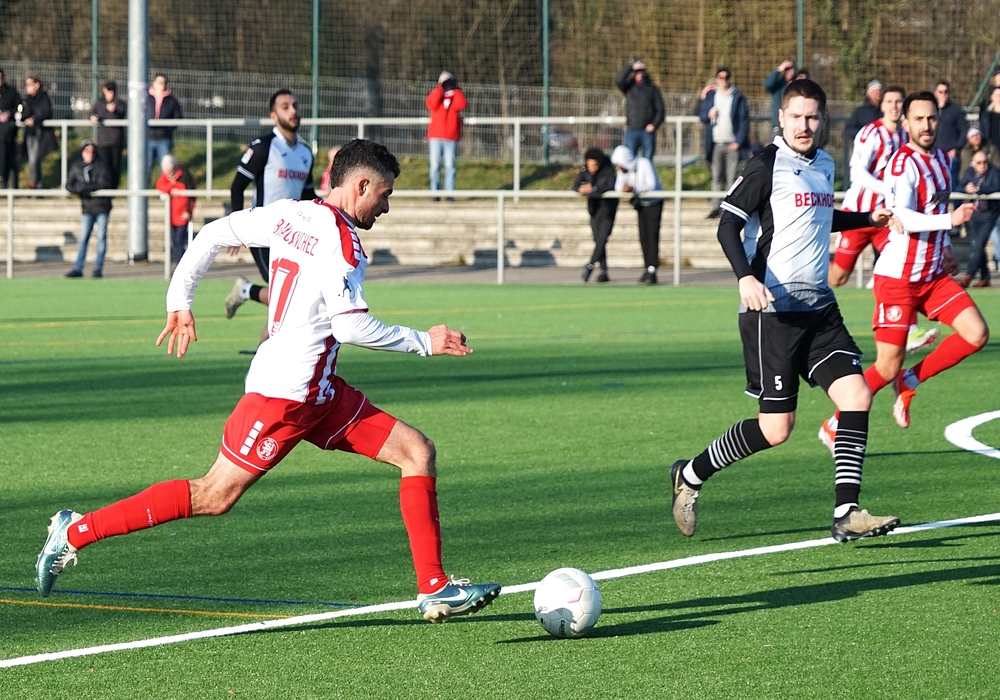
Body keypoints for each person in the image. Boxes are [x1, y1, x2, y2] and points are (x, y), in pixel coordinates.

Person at [35, 138, 502, 623]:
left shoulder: (289, 213)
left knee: (416, 452)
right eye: (384, 195)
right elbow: (350, 327)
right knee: (214, 495)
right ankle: (75, 531)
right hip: (284, 397)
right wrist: (424, 340)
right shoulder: (343, 243)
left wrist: (180, 301)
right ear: (361, 185)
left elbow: (212, 233)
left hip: (321, 392)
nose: (385, 208)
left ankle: (434, 587)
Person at [668, 79, 900, 544]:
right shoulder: (765, 164)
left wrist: (865, 219)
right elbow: (728, 226)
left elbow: (819, 217)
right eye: (796, 116)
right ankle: (690, 474)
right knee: (776, 430)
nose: (804, 125)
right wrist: (745, 277)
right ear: (781, 118)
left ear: (824, 119)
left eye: (812, 117)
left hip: (819, 309)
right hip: (771, 311)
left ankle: (846, 512)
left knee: (857, 396)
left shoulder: (824, 164)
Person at [819, 92, 984, 444]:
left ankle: (909, 380)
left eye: (932, 118)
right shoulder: (901, 164)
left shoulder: (942, 160)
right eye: (919, 119)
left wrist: (946, 248)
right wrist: (950, 221)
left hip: (932, 275)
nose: (927, 125)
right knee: (886, 365)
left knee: (976, 333)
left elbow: (934, 207)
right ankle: (835, 422)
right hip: (898, 279)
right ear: (907, 123)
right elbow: (903, 217)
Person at [830, 86, 939, 355]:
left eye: (898, 101)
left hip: (886, 219)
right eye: (889, 101)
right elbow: (857, 173)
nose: (894, 106)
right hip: (859, 216)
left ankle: (910, 331)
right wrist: (887, 189)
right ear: (882, 105)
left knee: (899, 268)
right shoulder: (871, 133)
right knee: (838, 278)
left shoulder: (905, 135)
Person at [224, 89, 316, 332]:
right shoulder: (264, 147)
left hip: (295, 235)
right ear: (273, 115)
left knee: (293, 295)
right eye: (285, 107)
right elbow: (237, 186)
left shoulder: (305, 153)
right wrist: (237, 228)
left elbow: (308, 195)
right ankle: (246, 291)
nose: (293, 111)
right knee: (287, 295)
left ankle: (247, 294)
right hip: (264, 233)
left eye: (295, 105)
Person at [699, 67, 749, 218]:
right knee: (716, 177)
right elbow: (701, 115)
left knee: (731, 178)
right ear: (717, 79)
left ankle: (730, 207)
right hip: (716, 143)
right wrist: (708, 114)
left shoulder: (738, 97)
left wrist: (738, 141)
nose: (724, 80)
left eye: (726, 77)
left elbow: (744, 121)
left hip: (732, 143)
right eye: (721, 77)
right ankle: (716, 207)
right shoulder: (711, 96)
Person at [611, 145, 662, 284]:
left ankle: (652, 269)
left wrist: (634, 188)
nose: (618, 168)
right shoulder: (623, 170)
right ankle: (647, 267)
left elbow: (651, 185)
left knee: (652, 236)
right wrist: (624, 189)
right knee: (643, 236)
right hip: (640, 203)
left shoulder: (644, 163)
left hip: (654, 203)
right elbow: (618, 186)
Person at [64, 140, 113, 278]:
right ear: (82, 153)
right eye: (87, 151)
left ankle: (98, 268)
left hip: (102, 207)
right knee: (83, 238)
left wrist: (85, 188)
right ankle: (78, 268)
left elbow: (103, 183)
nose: (90, 154)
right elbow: (68, 185)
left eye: (92, 151)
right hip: (87, 208)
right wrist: (78, 190)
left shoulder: (101, 166)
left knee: (101, 238)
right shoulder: (77, 167)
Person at [573, 148, 619, 283]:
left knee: (602, 239)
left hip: (607, 210)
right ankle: (604, 272)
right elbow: (575, 185)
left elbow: (609, 185)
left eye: (595, 165)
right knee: (597, 239)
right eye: (589, 165)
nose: (592, 168)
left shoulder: (608, 170)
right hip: (594, 209)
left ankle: (590, 265)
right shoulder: (584, 170)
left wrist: (593, 189)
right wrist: (581, 188)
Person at [956, 149, 1000, 287]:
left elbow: (996, 187)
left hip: (990, 214)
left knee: (979, 244)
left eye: (985, 162)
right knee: (979, 246)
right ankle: (985, 277)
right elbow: (959, 186)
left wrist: (980, 189)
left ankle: (969, 275)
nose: (983, 165)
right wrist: (966, 188)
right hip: (975, 214)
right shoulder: (970, 173)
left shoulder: (994, 172)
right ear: (973, 164)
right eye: (979, 163)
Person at [425, 71, 467, 197]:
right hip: (435, 136)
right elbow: (431, 104)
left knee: (450, 166)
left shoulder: (456, 96)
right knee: (435, 166)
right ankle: (435, 193)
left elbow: (462, 104)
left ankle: (449, 193)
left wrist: (456, 89)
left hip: (451, 136)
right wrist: (440, 89)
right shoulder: (436, 94)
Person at [615, 60, 665, 159]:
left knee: (647, 160)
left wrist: (654, 125)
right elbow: (618, 80)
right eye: (637, 72)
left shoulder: (652, 89)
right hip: (632, 129)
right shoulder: (629, 87)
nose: (639, 74)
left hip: (647, 131)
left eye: (641, 72)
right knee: (629, 159)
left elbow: (660, 109)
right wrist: (631, 66)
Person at [155, 154, 197, 264]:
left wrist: (189, 211)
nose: (167, 174)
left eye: (169, 171)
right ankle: (181, 264)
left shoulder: (185, 176)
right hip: (171, 215)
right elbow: (159, 186)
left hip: (182, 214)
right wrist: (171, 188)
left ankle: (182, 265)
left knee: (179, 240)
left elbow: (192, 196)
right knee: (174, 241)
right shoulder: (165, 177)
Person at [145, 74, 183, 183]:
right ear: (154, 83)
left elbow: (178, 117)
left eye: (164, 82)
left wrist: (168, 128)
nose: (162, 85)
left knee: (165, 166)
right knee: (146, 165)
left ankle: (163, 187)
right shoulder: (146, 98)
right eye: (159, 82)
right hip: (148, 137)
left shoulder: (172, 100)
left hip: (164, 138)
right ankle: (144, 188)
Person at [20, 75, 56, 189]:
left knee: (34, 160)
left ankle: (33, 183)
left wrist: (35, 119)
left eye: (29, 84)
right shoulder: (27, 99)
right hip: (29, 133)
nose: (27, 87)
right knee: (32, 160)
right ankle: (39, 184)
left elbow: (46, 112)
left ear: (37, 85)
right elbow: (24, 113)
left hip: (40, 133)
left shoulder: (44, 97)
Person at [89, 80, 127, 188]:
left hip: (116, 142)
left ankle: (113, 189)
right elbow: (92, 113)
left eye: (112, 90)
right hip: (103, 141)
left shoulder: (120, 104)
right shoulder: (99, 103)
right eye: (109, 90)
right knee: (104, 166)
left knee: (115, 167)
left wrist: (114, 111)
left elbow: (122, 114)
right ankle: (105, 188)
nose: (111, 93)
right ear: (104, 90)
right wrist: (93, 117)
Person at [933, 81, 969, 188]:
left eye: (946, 92)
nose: (943, 94)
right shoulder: (931, 110)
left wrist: (957, 149)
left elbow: (964, 130)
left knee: (951, 187)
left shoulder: (956, 110)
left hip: (950, 157)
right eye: (940, 92)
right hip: (933, 155)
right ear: (935, 93)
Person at [0, 68, 22, 188]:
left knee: (9, 158)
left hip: (9, 131)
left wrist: (9, 113)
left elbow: (19, 106)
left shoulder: (11, 91)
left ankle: (9, 184)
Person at [764, 60, 796, 130]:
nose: (789, 71)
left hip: (794, 123)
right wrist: (779, 70)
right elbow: (767, 84)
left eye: (791, 68)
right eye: (787, 69)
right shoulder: (778, 85)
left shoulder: (797, 85)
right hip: (778, 124)